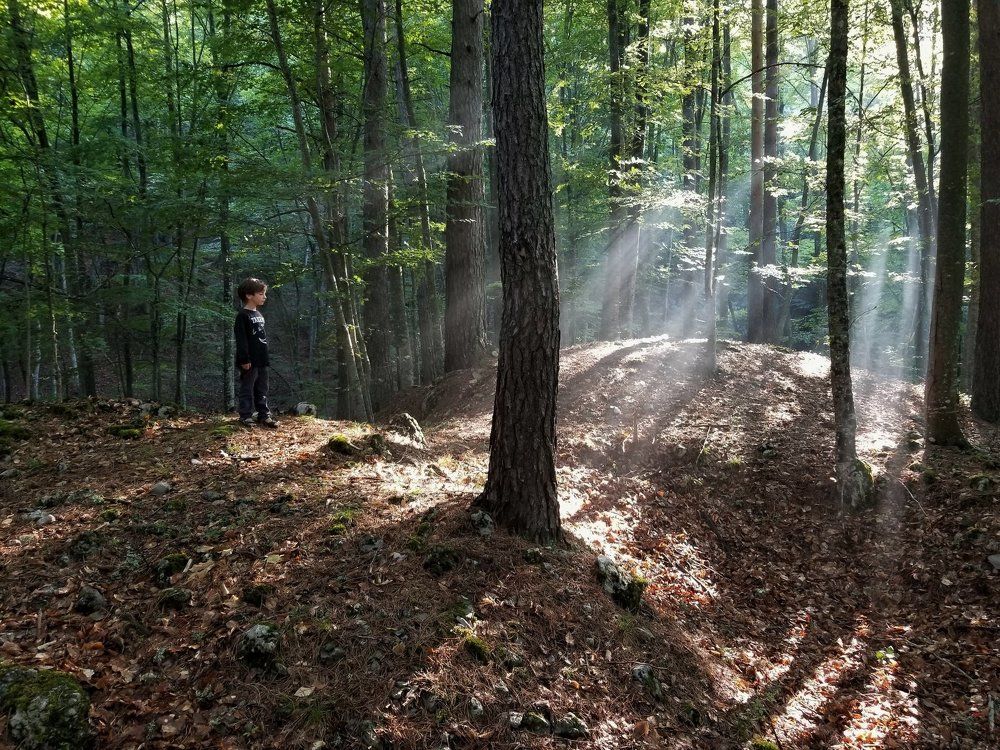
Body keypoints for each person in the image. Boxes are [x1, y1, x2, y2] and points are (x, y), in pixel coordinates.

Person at [234, 277, 279, 428]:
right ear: (249, 295)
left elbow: (261, 338)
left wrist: (265, 357)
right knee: (247, 387)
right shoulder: (242, 316)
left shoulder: (259, 315)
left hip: (262, 359)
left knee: (262, 388)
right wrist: (244, 359)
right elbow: (241, 340)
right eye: (261, 294)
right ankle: (245, 415)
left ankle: (263, 415)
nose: (264, 296)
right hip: (249, 360)